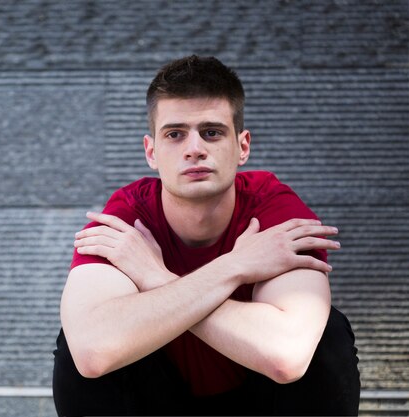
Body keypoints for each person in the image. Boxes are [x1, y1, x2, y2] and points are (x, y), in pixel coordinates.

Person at [53, 55, 360, 416]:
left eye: (211, 132)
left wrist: (156, 277)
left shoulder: (274, 212)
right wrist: (237, 266)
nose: (194, 148)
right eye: (175, 134)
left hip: (257, 399)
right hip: (160, 401)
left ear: (242, 147)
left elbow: (286, 357)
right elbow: (92, 352)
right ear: (151, 151)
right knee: (81, 338)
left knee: (326, 335)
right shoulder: (127, 221)